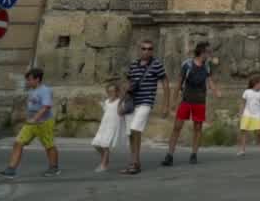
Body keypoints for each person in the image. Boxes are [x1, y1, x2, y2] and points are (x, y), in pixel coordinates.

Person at [162, 41, 219, 167]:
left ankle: (194, 154)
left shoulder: (206, 66)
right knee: (177, 127)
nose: (210, 54)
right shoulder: (187, 65)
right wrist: (174, 101)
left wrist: (216, 91)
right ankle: (169, 155)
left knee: (198, 128)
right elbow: (179, 83)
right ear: (202, 52)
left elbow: (209, 81)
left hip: (200, 101)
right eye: (208, 52)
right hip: (186, 100)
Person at [0, 68, 59, 178]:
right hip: (31, 124)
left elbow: (46, 107)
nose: (28, 82)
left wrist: (35, 119)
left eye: (30, 79)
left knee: (49, 145)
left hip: (44, 123)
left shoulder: (45, 90)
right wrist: (29, 118)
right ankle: (11, 170)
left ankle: (54, 168)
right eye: (27, 80)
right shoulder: (32, 90)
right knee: (18, 142)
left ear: (37, 79)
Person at [121, 39, 169, 175]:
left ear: (152, 51)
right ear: (139, 50)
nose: (146, 51)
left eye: (149, 49)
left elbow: (165, 84)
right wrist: (120, 102)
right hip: (132, 102)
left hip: (146, 102)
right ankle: (134, 161)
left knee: (135, 129)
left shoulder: (156, 65)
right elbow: (127, 83)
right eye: (144, 48)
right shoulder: (133, 65)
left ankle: (135, 162)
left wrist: (165, 105)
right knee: (130, 133)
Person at [91, 83, 125, 172]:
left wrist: (121, 101)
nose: (111, 93)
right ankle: (105, 159)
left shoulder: (120, 102)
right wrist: (101, 103)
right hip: (104, 126)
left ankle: (104, 165)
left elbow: (121, 113)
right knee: (96, 144)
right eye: (109, 91)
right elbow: (106, 111)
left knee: (105, 145)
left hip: (113, 126)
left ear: (117, 92)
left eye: (113, 91)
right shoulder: (106, 101)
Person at [237, 75, 260, 155]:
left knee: (258, 132)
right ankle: (242, 150)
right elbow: (242, 103)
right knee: (243, 131)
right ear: (255, 84)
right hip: (247, 114)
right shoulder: (247, 92)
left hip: (257, 115)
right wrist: (240, 114)